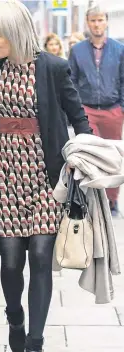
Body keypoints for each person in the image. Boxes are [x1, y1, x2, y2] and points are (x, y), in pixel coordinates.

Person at [0, 0, 93, 352]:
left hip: (46, 174)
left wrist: (79, 156)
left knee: (41, 255)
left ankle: (34, 347)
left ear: (13, 33)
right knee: (11, 261)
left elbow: (80, 120)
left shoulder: (53, 68)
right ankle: (15, 315)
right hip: (4, 171)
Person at [69, 4, 124, 216]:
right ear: (87, 23)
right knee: (89, 155)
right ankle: (92, 199)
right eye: (93, 20)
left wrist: (121, 108)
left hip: (112, 110)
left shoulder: (119, 50)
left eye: (100, 20)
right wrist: (76, 109)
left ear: (107, 21)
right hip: (88, 109)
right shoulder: (77, 50)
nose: (97, 24)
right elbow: (71, 80)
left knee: (112, 156)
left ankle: (112, 200)